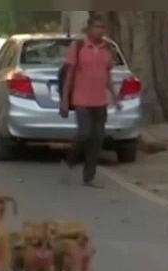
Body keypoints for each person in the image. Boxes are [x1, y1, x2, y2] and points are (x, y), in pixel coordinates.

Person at [59, 14, 122, 188]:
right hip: (81, 100)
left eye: (102, 27)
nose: (100, 30)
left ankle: (89, 177)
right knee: (84, 134)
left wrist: (115, 95)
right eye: (97, 27)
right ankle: (70, 159)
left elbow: (106, 74)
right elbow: (70, 75)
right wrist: (64, 100)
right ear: (89, 29)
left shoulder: (107, 48)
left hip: (100, 101)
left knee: (97, 139)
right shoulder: (78, 46)